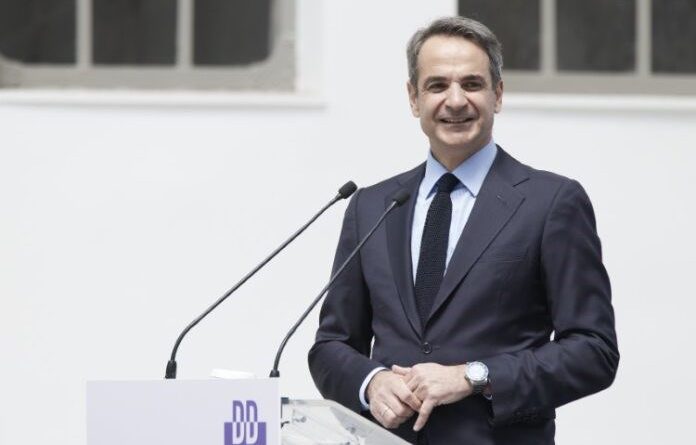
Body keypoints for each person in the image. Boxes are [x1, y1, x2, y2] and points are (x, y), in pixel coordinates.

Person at [308, 16, 619, 445]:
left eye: (472, 84)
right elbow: (332, 345)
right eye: (437, 86)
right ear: (414, 98)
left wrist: (474, 376)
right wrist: (371, 382)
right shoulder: (372, 206)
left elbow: (593, 351)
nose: (455, 101)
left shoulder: (551, 203)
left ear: (498, 94)